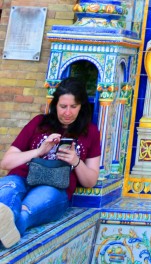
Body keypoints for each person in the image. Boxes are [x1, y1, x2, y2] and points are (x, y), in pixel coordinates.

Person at [0, 77, 101, 249]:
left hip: (54, 188)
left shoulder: (90, 132)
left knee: (26, 211)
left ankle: (11, 228)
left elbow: (90, 180)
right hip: (21, 177)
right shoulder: (39, 123)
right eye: (63, 107)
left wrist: (75, 161)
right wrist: (39, 151)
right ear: (55, 105)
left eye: (73, 107)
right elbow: (7, 162)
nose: (67, 112)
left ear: (81, 107)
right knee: (6, 195)